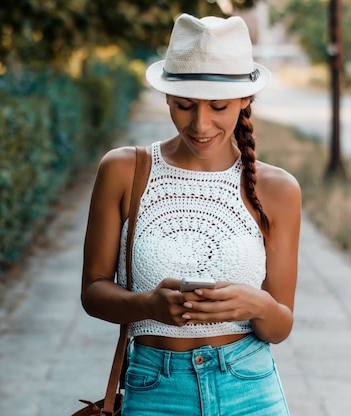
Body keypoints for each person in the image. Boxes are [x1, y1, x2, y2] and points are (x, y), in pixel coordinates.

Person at [81, 13, 301, 416]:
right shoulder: (123, 170)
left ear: (245, 100)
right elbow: (93, 292)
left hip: (250, 388)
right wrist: (148, 304)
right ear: (167, 96)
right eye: (185, 106)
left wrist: (257, 305)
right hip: (154, 388)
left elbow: (280, 325)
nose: (200, 125)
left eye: (218, 107)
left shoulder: (279, 189)